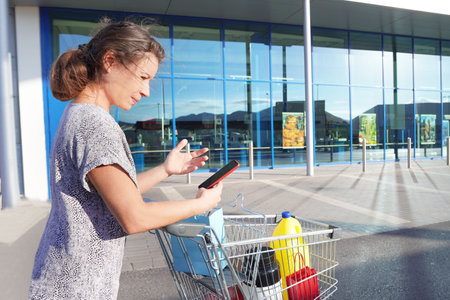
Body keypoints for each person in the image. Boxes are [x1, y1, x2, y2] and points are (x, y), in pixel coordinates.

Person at [29, 20, 223, 299]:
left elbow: (114, 194)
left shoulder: (79, 114)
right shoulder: (95, 125)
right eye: (143, 77)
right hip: (77, 289)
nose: (146, 91)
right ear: (110, 61)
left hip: (66, 280)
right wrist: (201, 204)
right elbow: (134, 216)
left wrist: (166, 170)